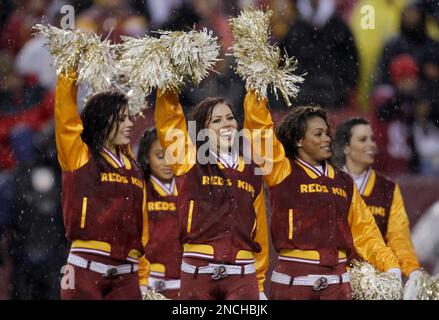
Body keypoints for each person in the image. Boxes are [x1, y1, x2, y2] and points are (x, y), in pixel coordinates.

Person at [243, 97, 401, 300]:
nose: (327, 139)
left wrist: (389, 265)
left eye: (327, 133)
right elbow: (259, 131)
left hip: (338, 286)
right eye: (318, 134)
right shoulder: (281, 170)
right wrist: (257, 92)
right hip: (293, 285)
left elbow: (365, 231)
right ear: (298, 140)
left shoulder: (343, 181)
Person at [154, 88, 269, 300]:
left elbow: (259, 226)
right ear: (202, 131)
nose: (227, 124)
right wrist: (166, 87)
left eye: (230, 118)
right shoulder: (188, 161)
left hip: (243, 273)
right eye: (216, 121)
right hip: (198, 270)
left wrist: (260, 282)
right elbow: (169, 123)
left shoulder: (252, 171)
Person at [55, 70, 149, 299]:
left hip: (127, 275)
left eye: (129, 117)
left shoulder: (134, 167)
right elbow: (65, 117)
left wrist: (144, 277)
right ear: (102, 119)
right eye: (121, 118)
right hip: (84, 269)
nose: (129, 124)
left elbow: (142, 227)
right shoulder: (80, 156)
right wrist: (70, 71)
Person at [334, 118, 422, 295]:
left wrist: (412, 270)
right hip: (336, 279)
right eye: (362, 139)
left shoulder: (387, 188)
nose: (371, 144)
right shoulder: (331, 183)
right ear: (345, 147)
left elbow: (398, 237)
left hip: (376, 284)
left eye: (373, 139)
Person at [137, 128, 181, 299]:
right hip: (150, 284)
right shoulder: (140, 189)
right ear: (147, 158)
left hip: (185, 283)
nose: (167, 163)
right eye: (160, 156)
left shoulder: (189, 189)